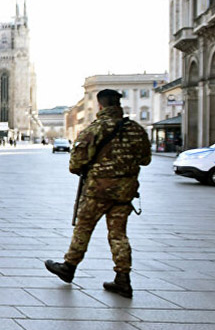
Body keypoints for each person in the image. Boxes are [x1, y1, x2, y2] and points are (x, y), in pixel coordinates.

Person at [45, 89, 151, 299]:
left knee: (84, 228)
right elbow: (145, 159)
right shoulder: (136, 130)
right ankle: (123, 279)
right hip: (124, 193)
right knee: (118, 234)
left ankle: (69, 267)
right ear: (118, 105)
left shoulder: (94, 130)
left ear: (100, 106)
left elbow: (75, 164)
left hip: (97, 192)